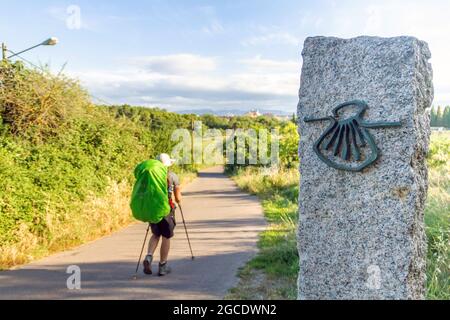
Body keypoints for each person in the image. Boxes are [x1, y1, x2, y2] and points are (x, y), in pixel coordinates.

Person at [143, 153, 182, 276]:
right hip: (167, 211)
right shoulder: (172, 176)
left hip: (154, 210)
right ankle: (162, 266)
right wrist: (179, 202)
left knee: (155, 234)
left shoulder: (151, 177)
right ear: (168, 165)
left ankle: (149, 257)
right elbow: (177, 197)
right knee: (166, 237)